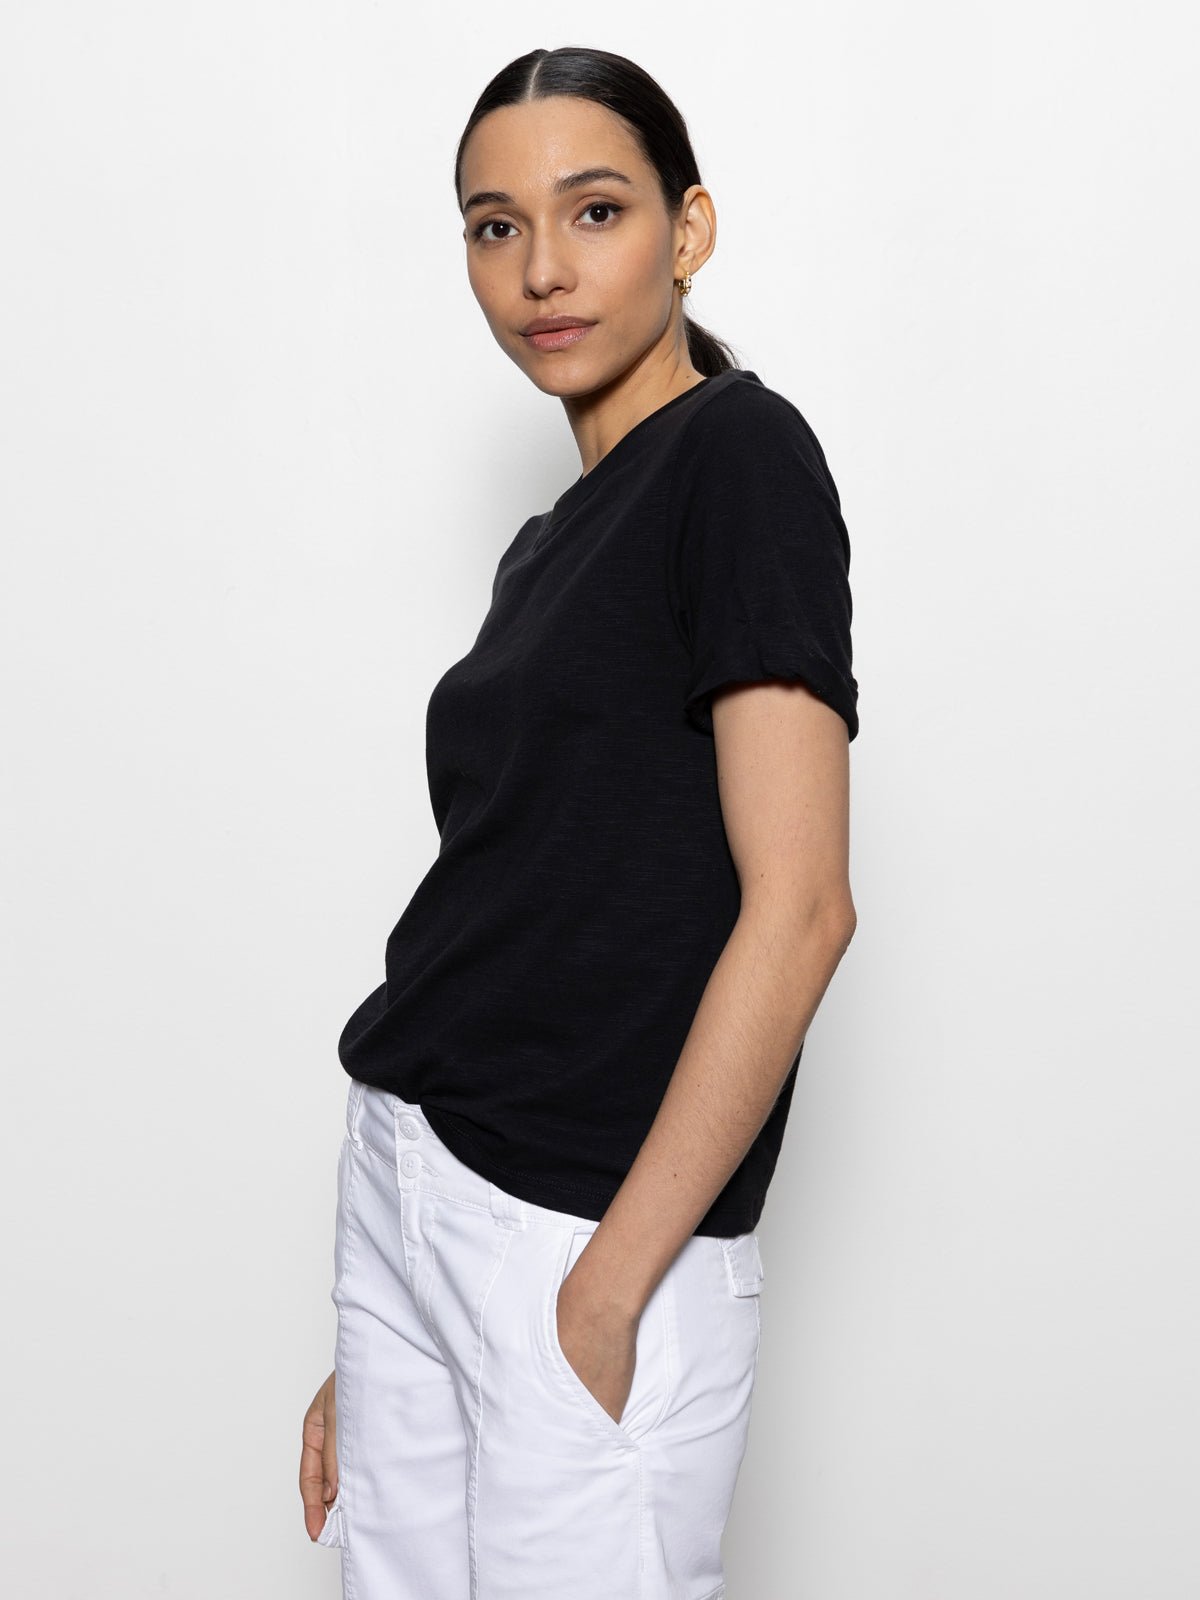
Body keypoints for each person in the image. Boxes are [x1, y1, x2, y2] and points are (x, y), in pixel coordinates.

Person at [298, 43, 860, 1600]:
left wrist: (606, 1291)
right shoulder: (549, 545)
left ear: (689, 230)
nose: (541, 269)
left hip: (583, 1226)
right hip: (417, 1182)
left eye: (595, 211)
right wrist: (397, 1309)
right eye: (496, 227)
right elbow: (525, 891)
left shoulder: (739, 457)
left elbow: (803, 908)